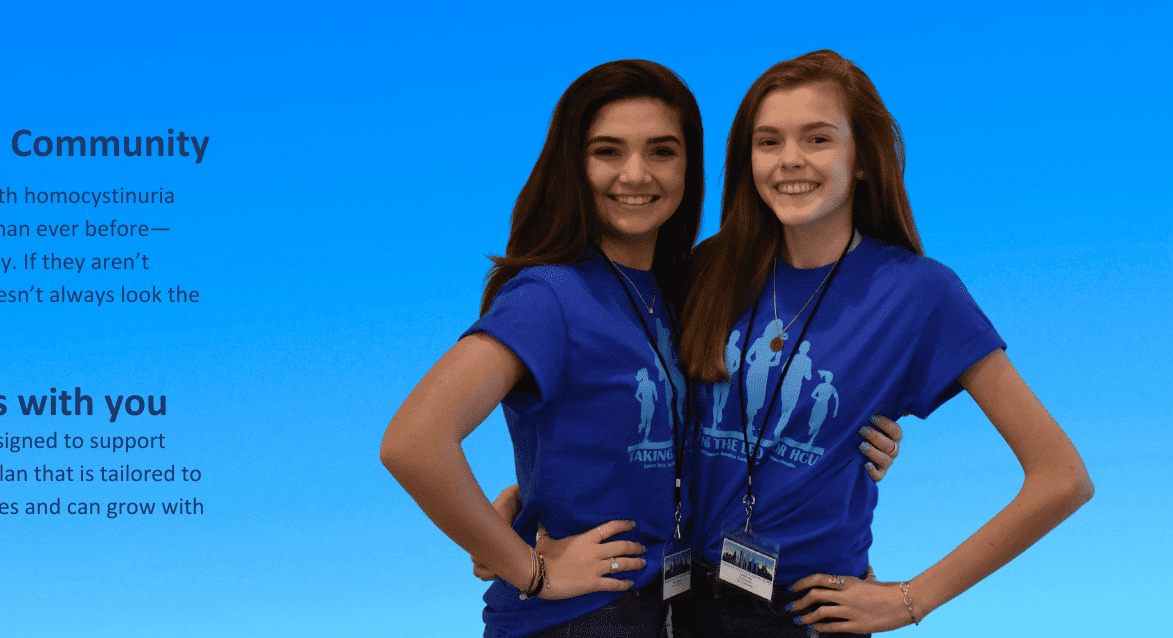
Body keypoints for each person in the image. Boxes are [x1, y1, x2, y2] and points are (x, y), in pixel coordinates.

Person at [381, 59, 901, 638]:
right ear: (573, 165)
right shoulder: (549, 296)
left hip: (672, 609)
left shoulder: (681, 291)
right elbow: (413, 442)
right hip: (574, 619)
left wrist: (847, 438)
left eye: (661, 151)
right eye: (607, 151)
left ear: (691, 166)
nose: (636, 174)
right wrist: (528, 568)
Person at [673, 50, 1092, 636]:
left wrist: (911, 599)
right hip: (675, 598)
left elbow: (1062, 476)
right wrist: (529, 493)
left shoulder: (921, 293)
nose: (790, 160)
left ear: (864, 157)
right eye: (768, 142)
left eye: (817, 139)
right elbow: (634, 405)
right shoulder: (708, 268)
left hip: (805, 614)